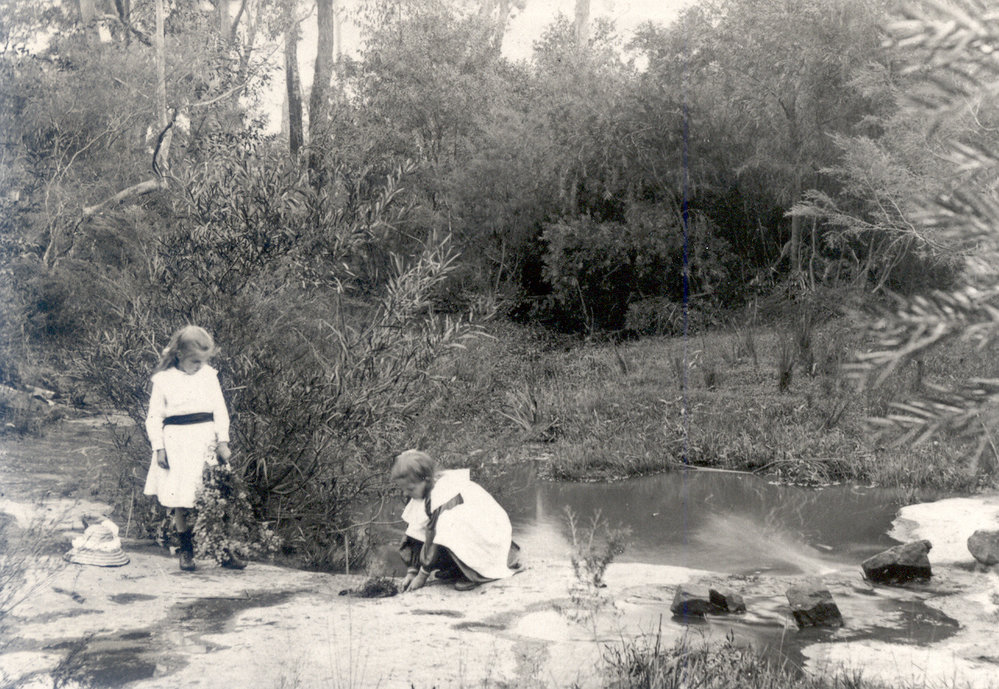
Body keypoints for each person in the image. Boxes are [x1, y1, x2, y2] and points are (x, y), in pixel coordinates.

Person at [143, 325, 243, 571]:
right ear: (179, 355)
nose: (200, 366)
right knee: (181, 497)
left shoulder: (208, 376)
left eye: (203, 361)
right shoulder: (163, 380)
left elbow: (220, 409)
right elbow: (154, 417)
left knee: (216, 493)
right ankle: (186, 549)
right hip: (176, 442)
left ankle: (223, 550)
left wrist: (223, 441)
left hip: (205, 440)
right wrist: (159, 448)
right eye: (195, 361)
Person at [392, 449, 520, 592]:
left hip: (489, 534)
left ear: (426, 479)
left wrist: (423, 575)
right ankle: (457, 568)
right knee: (435, 526)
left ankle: (476, 573)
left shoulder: (445, 493)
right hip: (470, 533)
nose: (406, 493)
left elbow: (434, 535)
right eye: (403, 489)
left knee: (448, 523)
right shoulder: (423, 490)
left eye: (410, 489)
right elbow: (415, 530)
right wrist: (412, 570)